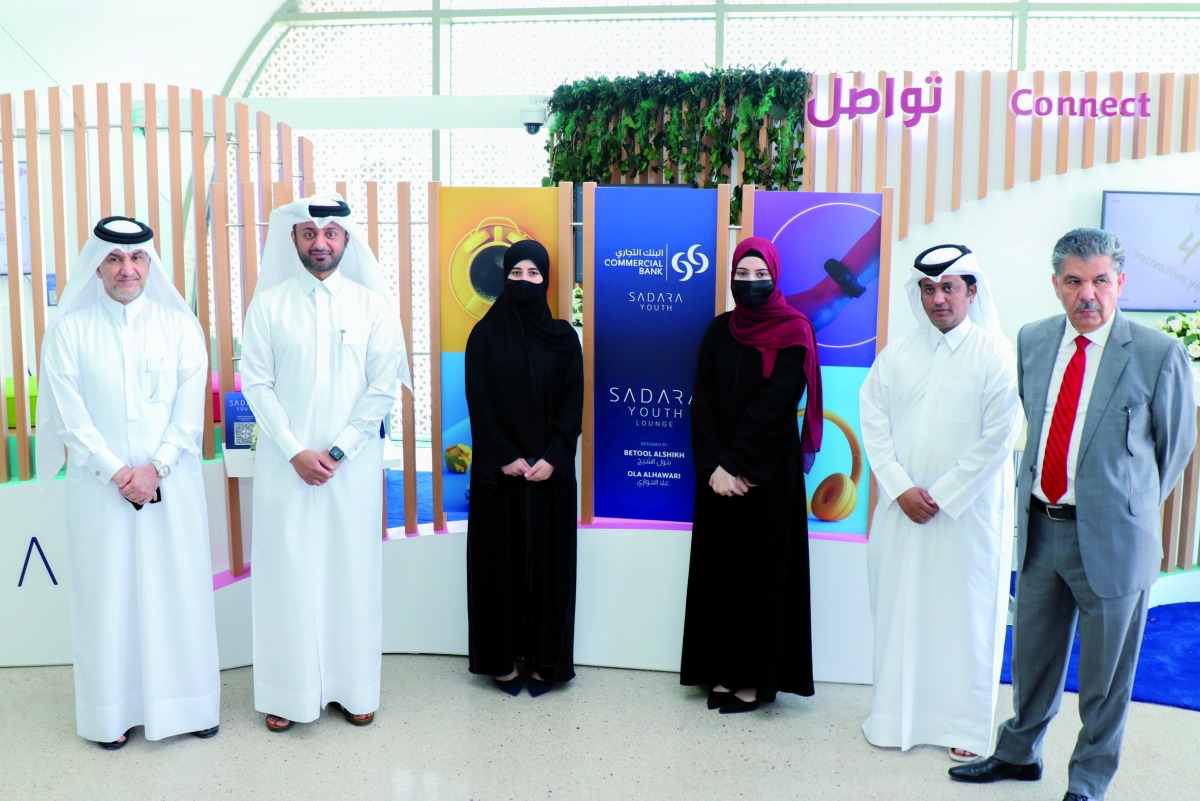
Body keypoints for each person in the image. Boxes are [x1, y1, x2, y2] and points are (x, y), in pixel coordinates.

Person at [949, 228, 1196, 801]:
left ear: (1120, 283)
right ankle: (1018, 754)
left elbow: (1175, 448)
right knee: (1032, 658)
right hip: (1042, 530)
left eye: (1101, 281)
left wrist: (1128, 510)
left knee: (1105, 678)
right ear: (1056, 285)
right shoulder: (1034, 341)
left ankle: (1087, 781)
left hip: (1114, 540)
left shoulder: (1158, 353)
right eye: (1075, 281)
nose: (1089, 294)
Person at [37, 216, 220, 749]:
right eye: (114, 259)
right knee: (108, 597)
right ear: (97, 266)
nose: (127, 269)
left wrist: (155, 468)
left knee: (177, 592)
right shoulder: (70, 331)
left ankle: (189, 706)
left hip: (171, 486)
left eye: (136, 257)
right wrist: (119, 473)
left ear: (149, 263)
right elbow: (71, 419)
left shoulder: (180, 327)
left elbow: (188, 415)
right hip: (101, 492)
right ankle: (110, 716)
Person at [241, 194, 406, 732]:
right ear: (293, 238)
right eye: (310, 233)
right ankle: (287, 694)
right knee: (286, 575)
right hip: (285, 464)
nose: (320, 243)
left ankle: (353, 688)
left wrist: (338, 450)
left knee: (350, 571)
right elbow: (256, 384)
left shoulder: (372, 306)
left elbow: (383, 386)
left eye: (330, 233)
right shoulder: (269, 306)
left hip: (349, 468)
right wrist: (294, 449)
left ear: (346, 240)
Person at [859, 244, 1021, 760]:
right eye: (928, 289)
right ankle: (893, 719)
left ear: (971, 291)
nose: (938, 299)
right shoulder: (898, 355)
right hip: (901, 512)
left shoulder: (994, 354)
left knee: (964, 618)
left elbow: (1000, 436)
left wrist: (943, 495)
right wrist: (899, 487)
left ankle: (965, 730)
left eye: (949, 287)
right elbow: (873, 422)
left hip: (967, 517)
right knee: (900, 612)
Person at [679, 236, 824, 714]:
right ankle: (720, 671)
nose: (751, 282)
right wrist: (714, 467)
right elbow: (702, 401)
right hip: (718, 477)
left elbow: (777, 404)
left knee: (760, 574)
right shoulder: (718, 330)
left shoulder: (795, 330)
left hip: (766, 473)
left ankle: (753, 681)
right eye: (742, 274)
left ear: (775, 277)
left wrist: (735, 464)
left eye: (760, 275)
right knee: (720, 572)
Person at [464, 239, 583, 697]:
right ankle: (501, 661)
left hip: (550, 474)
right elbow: (480, 402)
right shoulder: (484, 336)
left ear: (546, 279)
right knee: (499, 566)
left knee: (550, 567)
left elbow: (572, 403)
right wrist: (505, 456)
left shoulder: (563, 337)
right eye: (516, 273)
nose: (525, 281)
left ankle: (546, 661)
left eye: (534, 273)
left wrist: (553, 458)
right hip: (501, 474)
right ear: (505, 278)